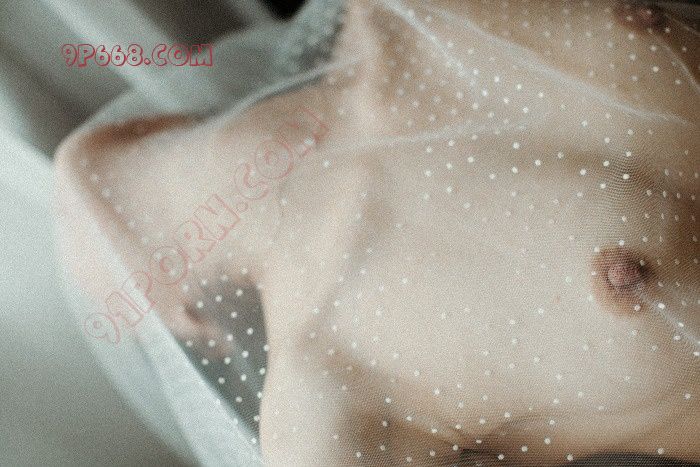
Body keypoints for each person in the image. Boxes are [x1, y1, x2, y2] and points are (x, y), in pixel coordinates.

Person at [55, 0, 699, 465]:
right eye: (117, 228)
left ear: (169, 121)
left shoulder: (384, 15)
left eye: (109, 175)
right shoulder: (322, 394)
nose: (138, 198)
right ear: (202, 328)